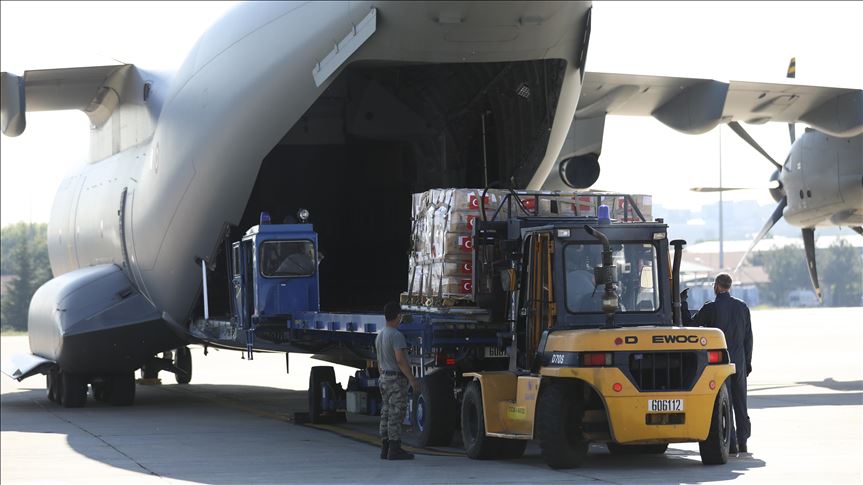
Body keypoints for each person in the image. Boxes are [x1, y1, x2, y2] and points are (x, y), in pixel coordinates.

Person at [682, 273, 753, 454]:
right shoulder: (742, 307)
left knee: (725, 402)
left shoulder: (710, 308)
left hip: (722, 362)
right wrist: (748, 362)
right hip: (740, 360)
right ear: (729, 287)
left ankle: (732, 443)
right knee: (741, 402)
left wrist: (682, 303)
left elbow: (690, 324)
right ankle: (743, 442)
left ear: (717, 286)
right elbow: (748, 339)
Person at [375, 302, 421, 460]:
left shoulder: (380, 334)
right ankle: (395, 449)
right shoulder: (396, 335)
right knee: (396, 414)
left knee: (386, 412)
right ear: (397, 316)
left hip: (384, 378)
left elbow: (379, 358)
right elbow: (400, 360)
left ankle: (385, 447)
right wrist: (412, 379)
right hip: (395, 379)